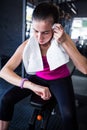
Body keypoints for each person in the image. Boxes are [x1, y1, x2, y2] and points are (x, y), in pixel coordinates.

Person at [0, 2, 87, 130]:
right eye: (36, 31)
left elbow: (84, 68)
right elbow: (4, 71)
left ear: (55, 28)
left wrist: (63, 42)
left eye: (45, 32)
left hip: (60, 80)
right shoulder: (28, 44)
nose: (39, 38)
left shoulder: (63, 39)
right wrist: (31, 85)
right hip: (38, 78)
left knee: (68, 116)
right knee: (5, 99)